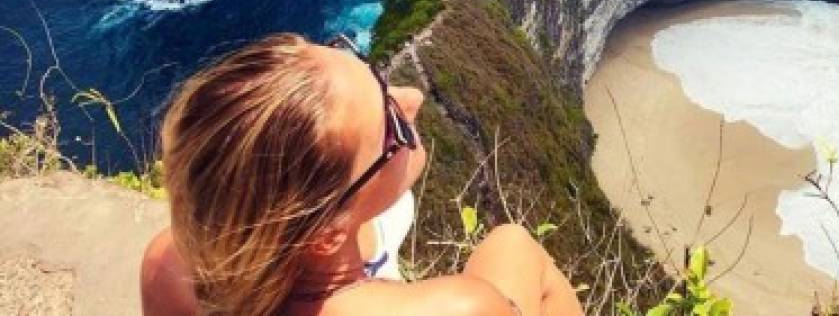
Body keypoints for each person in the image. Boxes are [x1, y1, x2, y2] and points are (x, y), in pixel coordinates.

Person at [140, 32, 584, 316]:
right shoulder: (463, 308)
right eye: (390, 127)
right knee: (515, 245)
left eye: (375, 73)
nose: (411, 99)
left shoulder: (168, 265)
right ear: (327, 233)